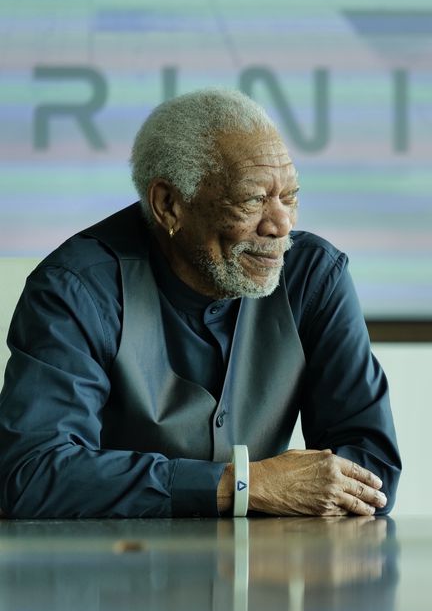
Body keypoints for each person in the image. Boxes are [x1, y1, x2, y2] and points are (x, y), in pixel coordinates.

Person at [0, 88, 401, 518]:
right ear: (169, 205)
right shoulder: (78, 288)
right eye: (252, 199)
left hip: (262, 572)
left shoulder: (314, 275)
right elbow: (30, 475)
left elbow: (371, 471)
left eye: (290, 196)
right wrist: (242, 485)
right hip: (112, 572)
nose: (281, 224)